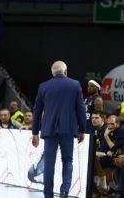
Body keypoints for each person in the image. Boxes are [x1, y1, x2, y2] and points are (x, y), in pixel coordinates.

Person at [32, 61, 86, 198]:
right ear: (66, 71)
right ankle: (64, 190)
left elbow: (37, 111)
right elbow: (81, 109)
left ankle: (48, 194)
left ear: (52, 73)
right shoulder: (75, 85)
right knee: (67, 160)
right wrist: (82, 129)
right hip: (68, 129)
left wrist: (35, 132)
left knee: (49, 163)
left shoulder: (43, 86)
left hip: (49, 129)